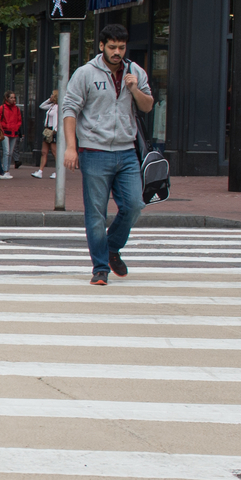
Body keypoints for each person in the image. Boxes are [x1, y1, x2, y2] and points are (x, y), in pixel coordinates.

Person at [59, 21, 155, 285]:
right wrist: (70, 146)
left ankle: (111, 246)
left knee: (135, 204)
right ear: (102, 46)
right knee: (96, 213)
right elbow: (69, 109)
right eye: (112, 47)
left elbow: (147, 106)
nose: (117, 52)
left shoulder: (135, 71)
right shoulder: (86, 73)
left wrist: (134, 88)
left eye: (121, 47)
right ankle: (100, 267)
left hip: (126, 151)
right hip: (94, 151)